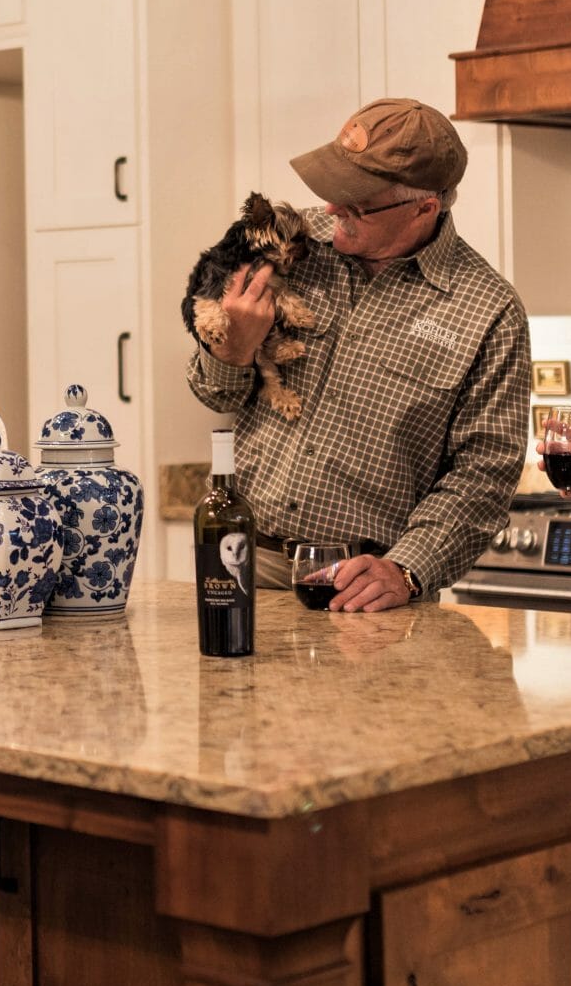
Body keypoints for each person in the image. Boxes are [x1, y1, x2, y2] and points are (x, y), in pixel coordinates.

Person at [188, 98, 531, 611]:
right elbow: (213, 393)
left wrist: (407, 569)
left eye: (357, 203)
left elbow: (483, 474)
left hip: (365, 589)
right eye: (333, 192)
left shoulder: (487, 309)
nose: (331, 210)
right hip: (240, 564)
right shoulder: (290, 243)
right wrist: (232, 350)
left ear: (424, 207)